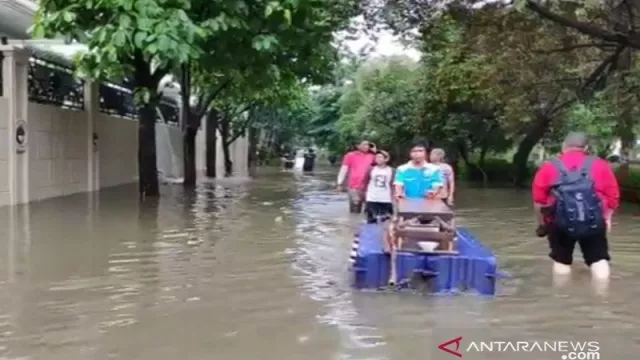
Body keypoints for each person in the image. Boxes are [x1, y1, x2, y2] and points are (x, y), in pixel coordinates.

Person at [532, 132, 619, 280]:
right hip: (594, 221)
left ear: (563, 146)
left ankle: (562, 294)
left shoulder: (549, 167)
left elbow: (539, 201)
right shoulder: (600, 165)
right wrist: (607, 218)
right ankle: (603, 295)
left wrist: (542, 223)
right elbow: (613, 196)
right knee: (598, 259)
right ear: (586, 147)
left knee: (561, 261)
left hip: (559, 222)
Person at [337, 140, 377, 213]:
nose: (367, 146)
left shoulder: (372, 156)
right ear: (358, 146)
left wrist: (375, 152)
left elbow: (380, 166)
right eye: (364, 144)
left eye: (368, 145)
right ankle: (353, 223)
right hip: (353, 187)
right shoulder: (350, 155)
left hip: (368, 187)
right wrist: (339, 183)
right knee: (355, 210)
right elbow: (344, 169)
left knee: (370, 210)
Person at [363, 150, 394, 223]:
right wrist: (365, 196)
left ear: (386, 159)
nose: (378, 159)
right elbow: (365, 182)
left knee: (386, 221)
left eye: (380, 157)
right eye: (376, 157)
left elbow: (393, 185)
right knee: (371, 221)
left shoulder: (392, 170)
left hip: (386, 199)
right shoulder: (371, 169)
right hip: (372, 198)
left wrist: (393, 197)